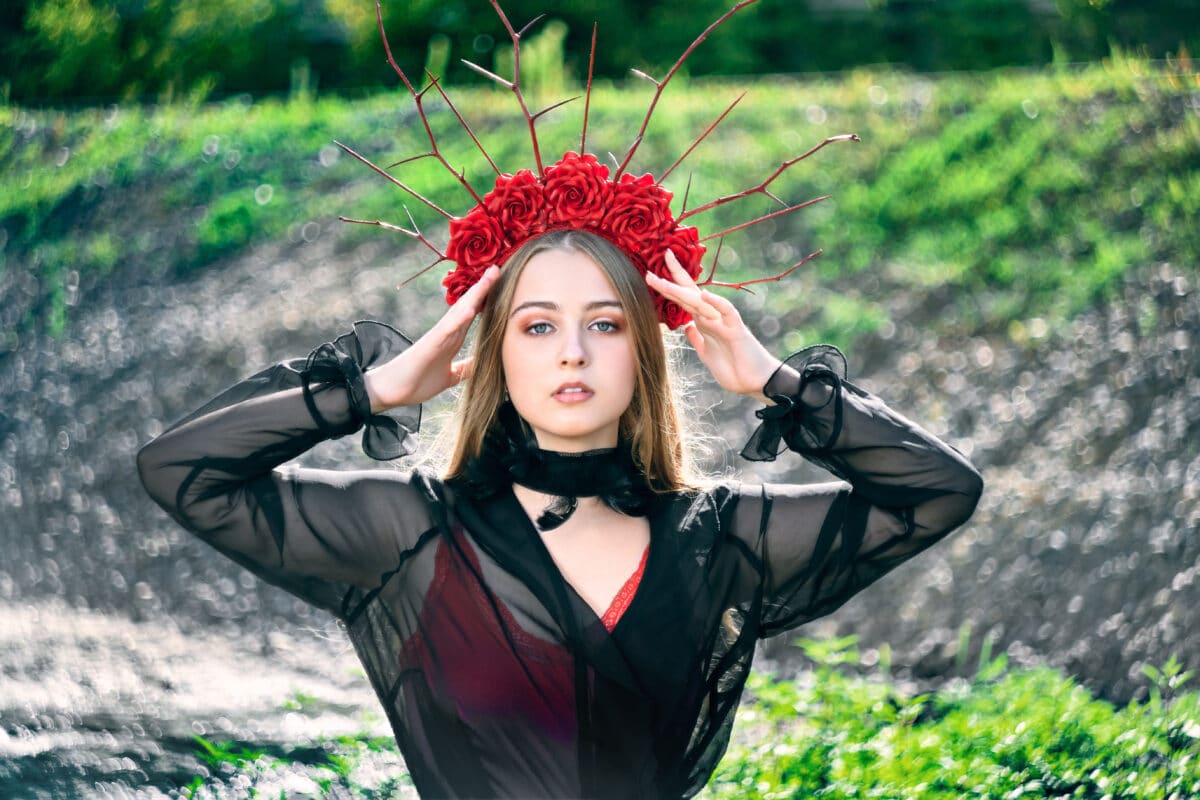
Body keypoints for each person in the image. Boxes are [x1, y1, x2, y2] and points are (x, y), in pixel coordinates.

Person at [138, 225, 982, 798]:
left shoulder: (720, 533)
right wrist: (372, 390)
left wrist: (776, 380)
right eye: (537, 327)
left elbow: (940, 491)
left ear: (645, 352)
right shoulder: (412, 531)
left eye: (606, 325)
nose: (573, 351)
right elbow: (181, 472)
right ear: (495, 353)